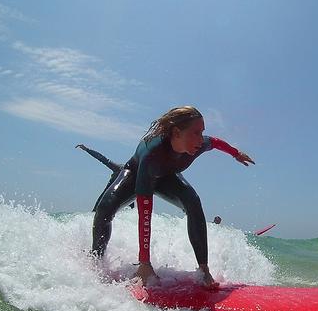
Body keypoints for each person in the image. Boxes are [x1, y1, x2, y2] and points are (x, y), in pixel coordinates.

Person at [90, 106, 254, 288]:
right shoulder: (152, 154)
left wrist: (236, 154)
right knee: (105, 209)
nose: (201, 139)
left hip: (167, 176)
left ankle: (204, 270)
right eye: (196, 133)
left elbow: (215, 142)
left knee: (193, 202)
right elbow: (145, 212)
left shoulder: (199, 145)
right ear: (176, 132)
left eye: (202, 132)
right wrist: (145, 263)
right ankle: (95, 265)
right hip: (137, 173)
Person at [75, 144, 133, 211]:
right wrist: (87, 150)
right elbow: (102, 158)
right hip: (112, 183)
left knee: (130, 201)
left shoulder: (134, 176)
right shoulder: (118, 168)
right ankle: (94, 213)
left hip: (125, 188)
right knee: (102, 200)